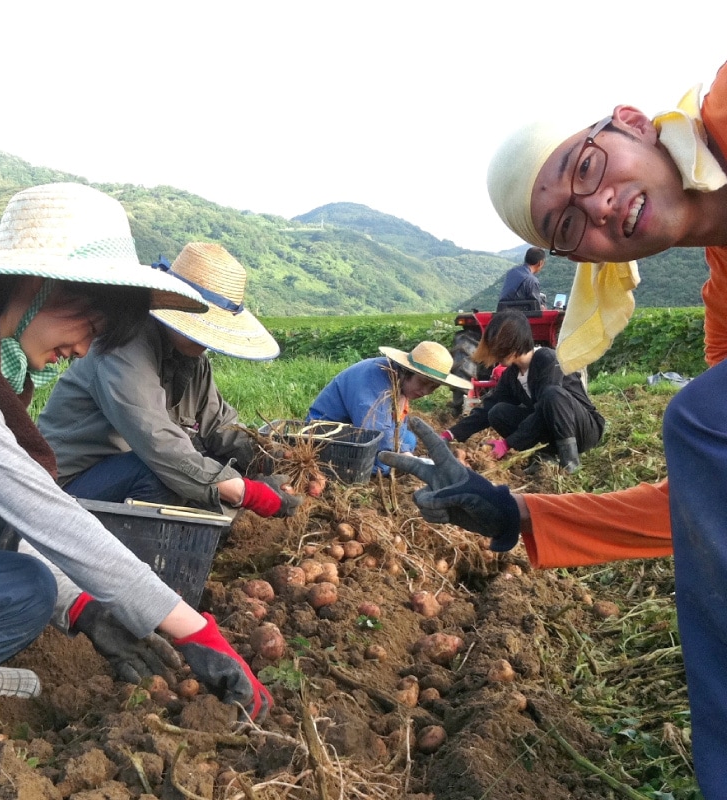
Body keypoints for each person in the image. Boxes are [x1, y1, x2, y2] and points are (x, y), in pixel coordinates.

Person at [381, 60, 727, 797]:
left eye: (589, 165)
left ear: (630, 120)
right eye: (572, 226)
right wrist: (519, 511)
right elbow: (708, 498)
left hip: (576, 428)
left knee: (699, 419)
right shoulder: (721, 301)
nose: (600, 205)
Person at [0, 182, 272, 720]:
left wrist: (86, 606)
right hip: (65, 487)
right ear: (42, 286)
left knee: (2, 546)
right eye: (91, 326)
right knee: (21, 590)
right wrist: (193, 629)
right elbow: (34, 503)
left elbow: (3, 514)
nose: (85, 350)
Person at [37, 241, 301, 518]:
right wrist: (248, 493)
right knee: (167, 474)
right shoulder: (122, 349)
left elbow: (219, 428)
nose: (205, 342)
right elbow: (158, 443)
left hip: (128, 467)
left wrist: (272, 456)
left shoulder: (193, 362)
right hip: (68, 486)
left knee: (216, 462)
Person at [442, 310, 604, 472]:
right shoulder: (512, 375)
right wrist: (451, 434)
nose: (495, 356)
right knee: (497, 412)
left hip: (584, 430)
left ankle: (570, 463)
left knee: (551, 395)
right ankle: (550, 452)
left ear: (514, 342)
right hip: (552, 426)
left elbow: (545, 408)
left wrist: (508, 443)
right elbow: (487, 409)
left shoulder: (548, 360)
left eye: (498, 348)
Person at [306, 341, 471, 475]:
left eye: (433, 388)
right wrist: (408, 460)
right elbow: (374, 429)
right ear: (407, 372)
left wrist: (406, 453)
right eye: (423, 383)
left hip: (356, 429)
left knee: (408, 441)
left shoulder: (398, 380)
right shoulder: (373, 379)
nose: (425, 392)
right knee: (383, 463)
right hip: (328, 431)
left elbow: (396, 424)